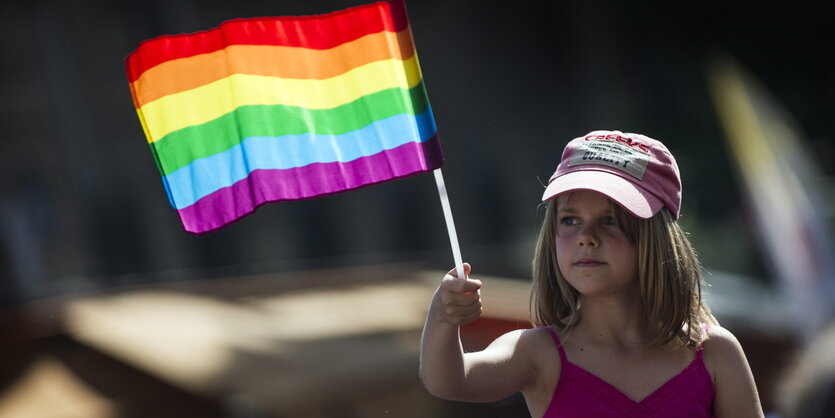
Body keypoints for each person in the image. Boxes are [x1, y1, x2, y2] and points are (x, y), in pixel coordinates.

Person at [420, 130, 765, 417]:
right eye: (570, 220)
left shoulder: (715, 353)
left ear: (657, 240)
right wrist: (443, 318)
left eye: (610, 220)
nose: (586, 237)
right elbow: (450, 380)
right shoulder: (537, 353)